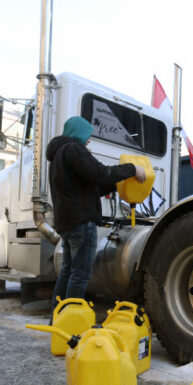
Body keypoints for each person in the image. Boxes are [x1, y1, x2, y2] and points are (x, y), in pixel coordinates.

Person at [46, 116, 146, 299]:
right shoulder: (73, 149)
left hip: (68, 223)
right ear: (78, 133)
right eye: (87, 135)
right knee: (81, 274)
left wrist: (118, 183)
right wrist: (131, 169)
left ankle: (60, 319)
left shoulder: (58, 156)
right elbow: (101, 173)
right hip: (81, 222)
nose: (89, 140)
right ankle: (72, 323)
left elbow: (91, 187)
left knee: (67, 273)